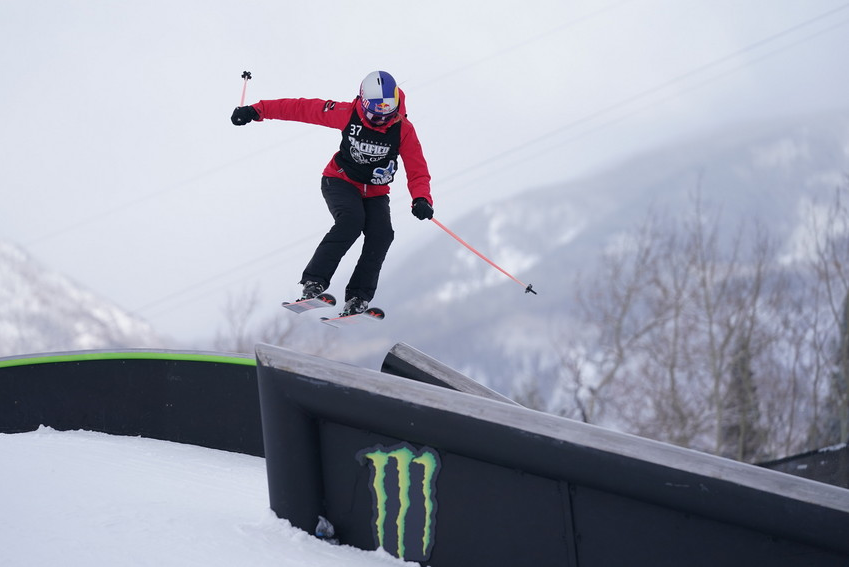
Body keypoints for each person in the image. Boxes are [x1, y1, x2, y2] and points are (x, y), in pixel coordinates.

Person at [230, 70, 433, 316]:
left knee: (382, 234)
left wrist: (421, 199)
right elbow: (300, 108)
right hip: (340, 180)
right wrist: (256, 110)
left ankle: (358, 298)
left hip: (376, 192)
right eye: (372, 115)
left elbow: (417, 169)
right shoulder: (347, 114)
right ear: (362, 104)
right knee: (351, 221)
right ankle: (313, 283)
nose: (379, 121)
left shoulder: (403, 129)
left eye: (385, 115)